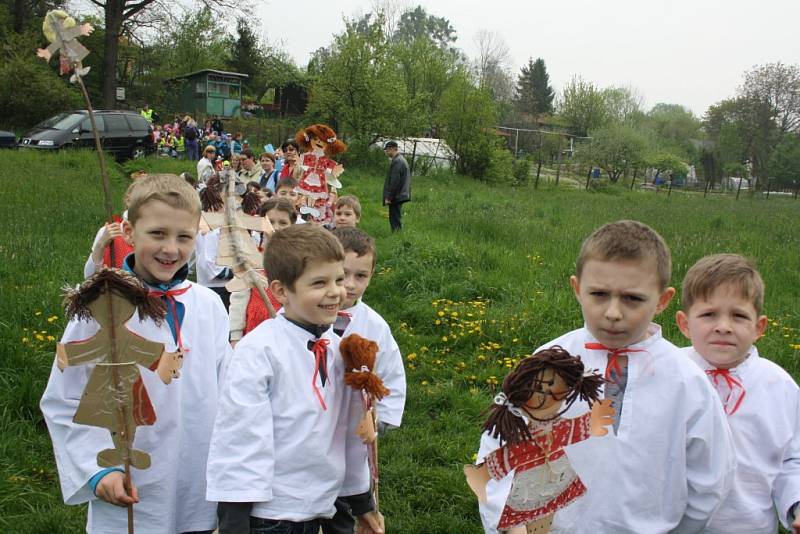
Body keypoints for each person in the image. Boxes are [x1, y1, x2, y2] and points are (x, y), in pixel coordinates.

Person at [477, 220, 735, 533]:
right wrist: (509, 521)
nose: (613, 312)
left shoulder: (686, 382)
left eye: (632, 298)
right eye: (599, 294)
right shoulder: (546, 363)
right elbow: (499, 446)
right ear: (577, 289)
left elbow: (710, 476)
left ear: (662, 301)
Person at [41, 174, 232, 533]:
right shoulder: (101, 308)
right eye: (157, 233)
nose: (171, 249)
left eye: (184, 237)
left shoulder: (209, 305)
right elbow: (64, 399)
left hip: (198, 484)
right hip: (131, 485)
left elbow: (228, 390)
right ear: (128, 232)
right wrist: (98, 470)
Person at [206, 225, 384, 534]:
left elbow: (347, 434)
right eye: (319, 282)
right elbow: (240, 441)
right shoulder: (259, 352)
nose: (335, 292)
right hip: (271, 515)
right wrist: (234, 522)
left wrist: (362, 503)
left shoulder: (339, 348)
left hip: (324, 506)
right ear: (280, 291)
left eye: (338, 279)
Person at [676, 254, 800, 533]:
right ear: (685, 324)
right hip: (673, 524)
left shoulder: (779, 387)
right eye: (709, 314)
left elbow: (793, 459)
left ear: (759, 327)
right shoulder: (669, 374)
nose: (723, 326)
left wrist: (797, 503)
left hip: (747, 526)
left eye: (739, 315)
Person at [320, 227, 406, 534]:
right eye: (343, 275)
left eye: (361, 276)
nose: (351, 285)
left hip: (352, 433)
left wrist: (379, 420)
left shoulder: (375, 327)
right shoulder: (307, 316)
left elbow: (392, 375)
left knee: (344, 504)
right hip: (310, 431)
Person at [228, 197, 295, 345]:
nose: (276, 227)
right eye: (270, 222)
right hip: (255, 326)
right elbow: (239, 298)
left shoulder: (300, 260)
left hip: (288, 328)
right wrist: (235, 336)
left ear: (292, 225)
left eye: (283, 223)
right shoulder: (250, 257)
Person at [382, 140, 411, 232]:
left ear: (391, 149)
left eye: (386, 150)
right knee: (395, 217)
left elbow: (394, 181)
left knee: (394, 219)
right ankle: (397, 235)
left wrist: (389, 197)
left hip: (397, 195)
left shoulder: (397, 161)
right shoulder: (400, 159)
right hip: (399, 194)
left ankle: (397, 235)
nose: (386, 152)